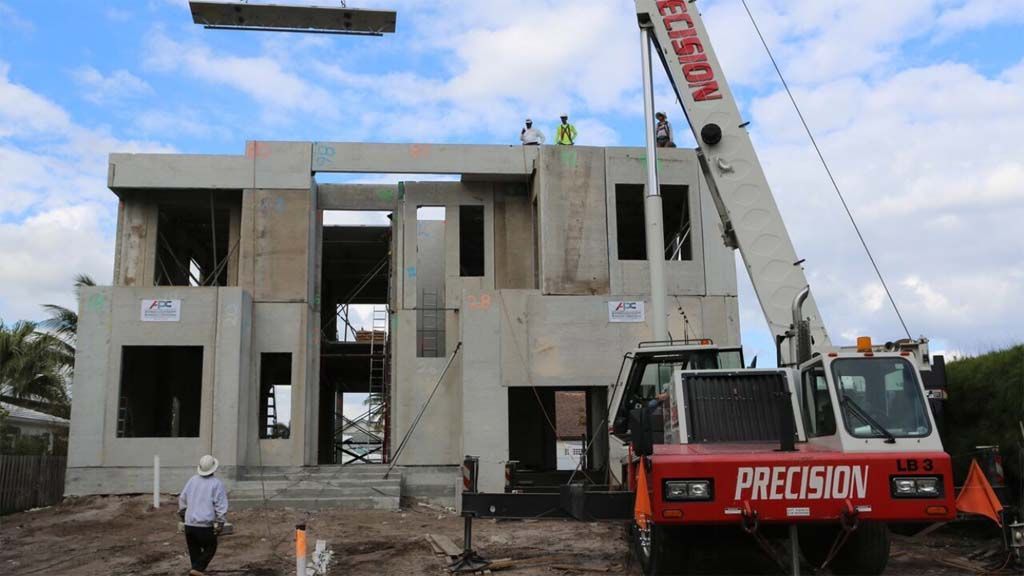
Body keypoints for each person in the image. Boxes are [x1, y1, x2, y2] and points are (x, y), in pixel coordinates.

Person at [179, 454, 228, 576]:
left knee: (194, 552)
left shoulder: (192, 480)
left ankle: (196, 571)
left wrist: (183, 514)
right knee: (211, 547)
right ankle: (197, 570)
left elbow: (182, 499)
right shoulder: (216, 484)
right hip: (205, 525)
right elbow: (220, 505)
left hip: (189, 524)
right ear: (214, 468)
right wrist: (220, 522)